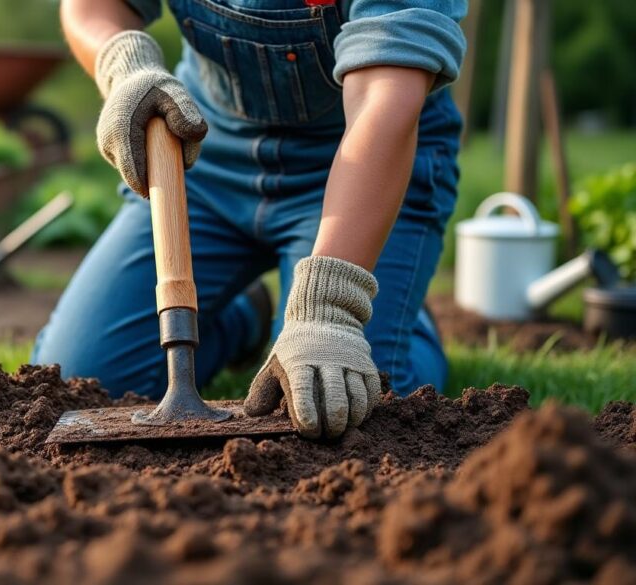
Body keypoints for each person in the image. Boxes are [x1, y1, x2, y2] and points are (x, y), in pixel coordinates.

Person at [34, 0, 465, 439]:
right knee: (80, 378)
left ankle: (395, 308)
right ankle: (245, 318)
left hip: (364, 159)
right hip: (202, 153)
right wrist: (125, 64)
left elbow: (383, 95)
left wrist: (333, 307)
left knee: (338, 397)